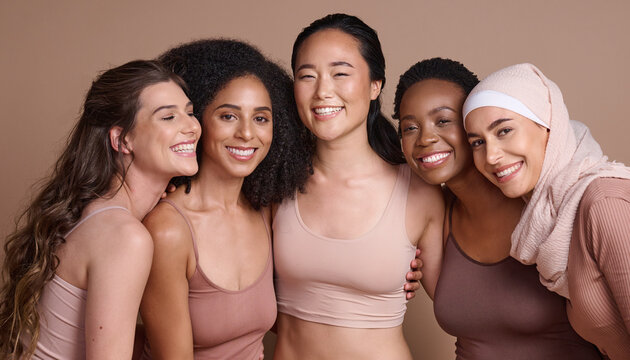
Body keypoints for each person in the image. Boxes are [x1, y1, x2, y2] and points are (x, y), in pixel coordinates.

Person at [394, 58, 602, 359]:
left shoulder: (552, 205)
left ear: (472, 123)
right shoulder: (435, 218)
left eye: (443, 121)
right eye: (409, 127)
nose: (424, 138)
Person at [0, 60, 200, 359]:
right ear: (122, 139)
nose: (192, 126)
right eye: (169, 117)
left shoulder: (93, 210)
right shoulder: (125, 237)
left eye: (189, 112)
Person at [272, 14, 444, 360]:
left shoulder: (420, 193)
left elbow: (467, 310)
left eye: (340, 73)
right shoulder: (274, 184)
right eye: (307, 76)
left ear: (374, 85)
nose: (322, 91)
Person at [138, 39, 311, 359]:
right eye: (229, 116)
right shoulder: (168, 231)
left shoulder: (267, 211)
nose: (247, 133)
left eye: (261, 118)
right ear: (196, 121)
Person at [463, 63, 630, 359]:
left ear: (548, 125)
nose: (490, 156)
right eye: (477, 142)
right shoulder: (551, 217)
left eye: (504, 130)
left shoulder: (603, 201)